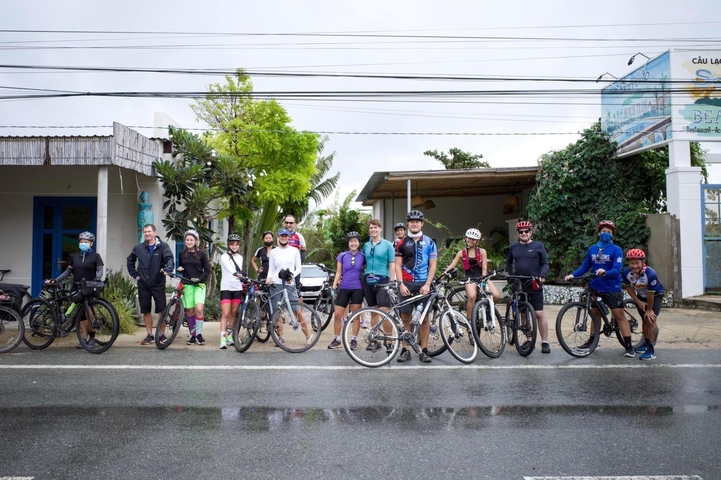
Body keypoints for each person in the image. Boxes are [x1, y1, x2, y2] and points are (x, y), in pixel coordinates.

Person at [565, 220, 634, 357]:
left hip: (612, 287)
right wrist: (573, 275)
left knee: (619, 316)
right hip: (595, 287)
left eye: (609, 232)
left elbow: (617, 269)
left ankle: (629, 346)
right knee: (595, 314)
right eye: (604, 231)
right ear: (599, 233)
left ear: (612, 234)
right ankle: (592, 341)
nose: (606, 234)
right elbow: (585, 266)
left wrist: (605, 272)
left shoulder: (616, 250)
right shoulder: (592, 249)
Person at [395, 210, 437, 363]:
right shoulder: (400, 243)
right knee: (405, 317)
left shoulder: (430, 242)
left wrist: (427, 284)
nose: (414, 223)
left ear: (422, 224)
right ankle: (405, 350)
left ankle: (423, 350)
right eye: (411, 221)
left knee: (424, 319)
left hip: (423, 285)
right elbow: (398, 265)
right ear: (408, 224)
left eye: (417, 221)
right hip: (406, 284)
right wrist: (400, 284)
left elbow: (433, 265)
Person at [49, 231, 104, 348]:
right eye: (81, 242)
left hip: (90, 287)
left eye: (86, 242)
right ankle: (84, 339)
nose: (83, 243)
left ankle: (92, 338)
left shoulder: (95, 256)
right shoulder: (74, 257)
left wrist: (98, 278)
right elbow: (68, 271)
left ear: (91, 244)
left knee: (89, 313)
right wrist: (57, 280)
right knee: (81, 315)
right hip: (77, 287)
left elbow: (99, 270)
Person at [505, 221, 551, 354]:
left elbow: (545, 263)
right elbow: (508, 261)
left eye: (526, 231)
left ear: (531, 232)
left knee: (539, 313)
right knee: (522, 312)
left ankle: (545, 342)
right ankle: (529, 339)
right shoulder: (514, 247)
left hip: (534, 282)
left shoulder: (538, 246)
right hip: (519, 283)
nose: (524, 234)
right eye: (521, 232)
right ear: (518, 234)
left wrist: (542, 274)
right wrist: (511, 275)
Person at [127, 224, 174, 345]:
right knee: (146, 310)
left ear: (154, 232)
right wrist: (135, 274)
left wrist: (168, 268)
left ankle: (161, 334)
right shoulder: (139, 248)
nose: (147, 234)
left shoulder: (163, 246)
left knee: (161, 310)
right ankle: (149, 335)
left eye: (149, 231)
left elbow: (169, 259)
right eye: (145, 232)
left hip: (158, 282)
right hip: (143, 283)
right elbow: (130, 261)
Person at [443, 228, 500, 322]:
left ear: (477, 241)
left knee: (496, 296)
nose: (470, 241)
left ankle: (488, 309)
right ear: (466, 238)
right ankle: (469, 320)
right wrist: (443, 274)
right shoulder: (461, 253)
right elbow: (452, 265)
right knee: (472, 296)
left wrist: (483, 280)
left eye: (473, 239)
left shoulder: (482, 251)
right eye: (469, 238)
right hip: (469, 278)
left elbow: (484, 267)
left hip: (482, 276)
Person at [266, 228, 309, 345]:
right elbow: (271, 268)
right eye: (281, 236)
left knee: (297, 311)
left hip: (290, 284)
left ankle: (308, 336)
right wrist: (269, 278)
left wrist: (291, 276)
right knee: (278, 312)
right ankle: (280, 337)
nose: (283, 238)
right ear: (278, 237)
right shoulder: (274, 252)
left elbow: (298, 267)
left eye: (286, 236)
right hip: (276, 284)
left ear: (289, 237)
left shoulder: (294, 250)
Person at [622, 248, 664, 361]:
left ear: (642, 262)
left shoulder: (650, 274)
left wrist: (649, 310)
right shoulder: (626, 272)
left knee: (651, 319)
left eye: (637, 263)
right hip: (641, 296)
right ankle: (646, 343)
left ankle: (651, 349)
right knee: (644, 319)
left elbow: (651, 295)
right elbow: (628, 287)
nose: (634, 266)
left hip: (655, 296)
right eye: (631, 263)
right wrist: (638, 301)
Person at [328, 232, 367, 350]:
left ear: (359, 243)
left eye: (355, 241)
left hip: (358, 289)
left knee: (356, 316)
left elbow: (366, 269)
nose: (353, 243)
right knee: (337, 315)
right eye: (351, 241)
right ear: (348, 243)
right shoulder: (342, 255)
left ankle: (354, 340)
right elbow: (339, 272)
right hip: (344, 288)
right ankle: (337, 339)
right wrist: (334, 287)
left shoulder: (363, 256)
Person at [361, 219, 396, 344]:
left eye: (375, 227)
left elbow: (392, 264)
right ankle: (374, 339)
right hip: (368, 280)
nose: (373, 230)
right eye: (371, 228)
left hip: (383, 279)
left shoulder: (387, 245)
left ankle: (389, 340)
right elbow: (362, 263)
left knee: (384, 311)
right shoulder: (366, 245)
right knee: (373, 311)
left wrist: (392, 281)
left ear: (380, 229)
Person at [177, 229, 211, 346]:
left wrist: (199, 279)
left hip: (199, 285)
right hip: (187, 284)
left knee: (199, 309)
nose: (189, 242)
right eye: (187, 240)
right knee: (190, 311)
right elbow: (179, 266)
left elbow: (207, 270)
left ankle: (199, 334)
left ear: (195, 241)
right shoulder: (182, 253)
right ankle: (193, 335)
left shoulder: (202, 254)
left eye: (191, 240)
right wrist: (179, 268)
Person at [219, 233, 245, 350]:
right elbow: (229, 268)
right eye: (232, 244)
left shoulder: (240, 257)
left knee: (233, 313)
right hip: (226, 287)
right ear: (229, 245)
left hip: (237, 288)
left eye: (236, 244)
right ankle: (222, 338)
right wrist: (235, 273)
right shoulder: (224, 256)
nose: (234, 246)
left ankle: (230, 336)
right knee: (225, 313)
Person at [283, 214, 307, 293]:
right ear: (284, 223)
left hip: (295, 268)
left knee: (297, 290)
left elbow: (304, 250)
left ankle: (298, 305)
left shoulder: (299, 236)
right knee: (283, 289)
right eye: (286, 222)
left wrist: (299, 264)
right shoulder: (280, 236)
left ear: (294, 224)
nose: (288, 224)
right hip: (284, 266)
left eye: (291, 223)